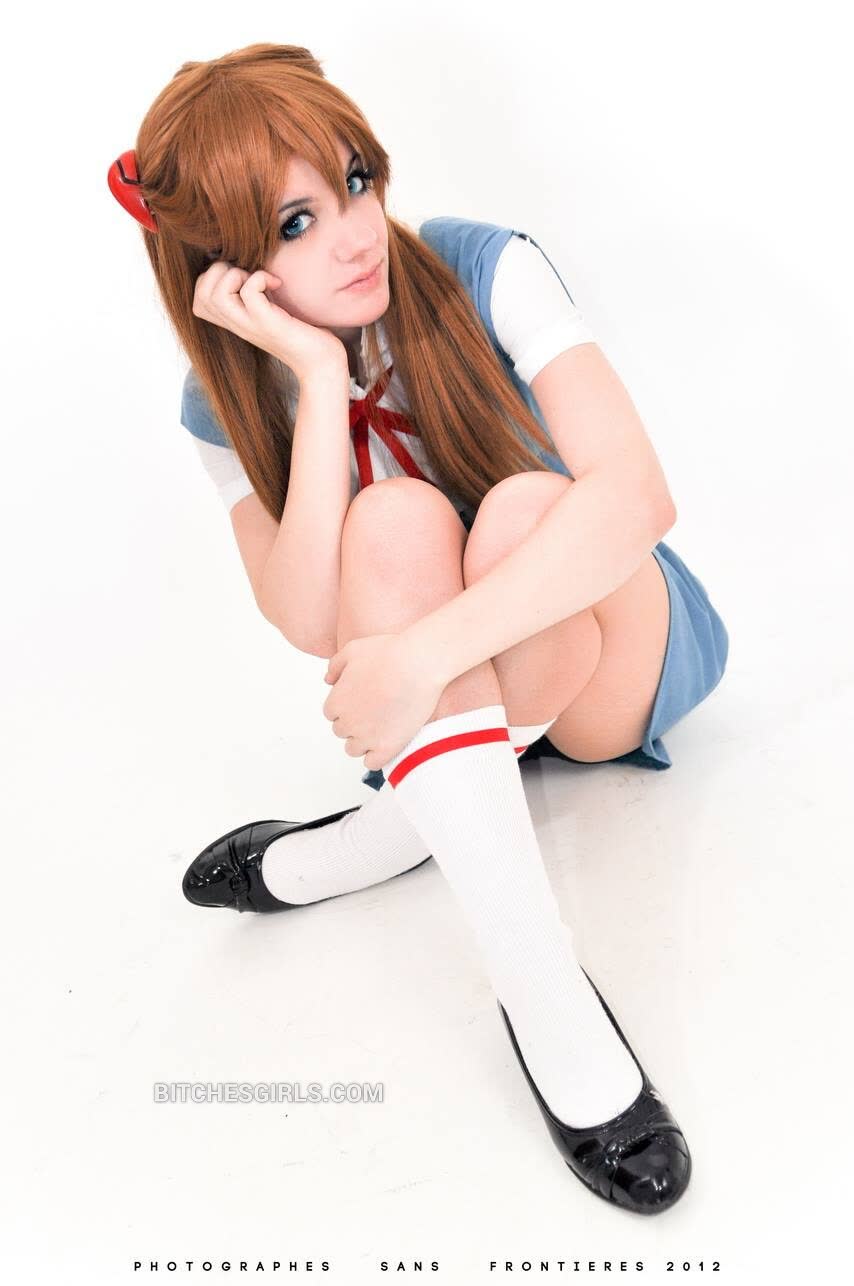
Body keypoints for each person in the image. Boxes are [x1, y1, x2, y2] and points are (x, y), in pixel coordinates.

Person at [108, 41, 729, 1215]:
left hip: (609, 652)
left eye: (354, 180)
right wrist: (315, 382)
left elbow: (635, 499)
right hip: (455, 697)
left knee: (529, 509)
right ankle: (543, 991)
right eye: (292, 225)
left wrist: (426, 655)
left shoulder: (481, 265)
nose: (354, 233)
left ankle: (377, 841)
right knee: (390, 519)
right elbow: (311, 616)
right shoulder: (220, 403)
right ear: (220, 269)